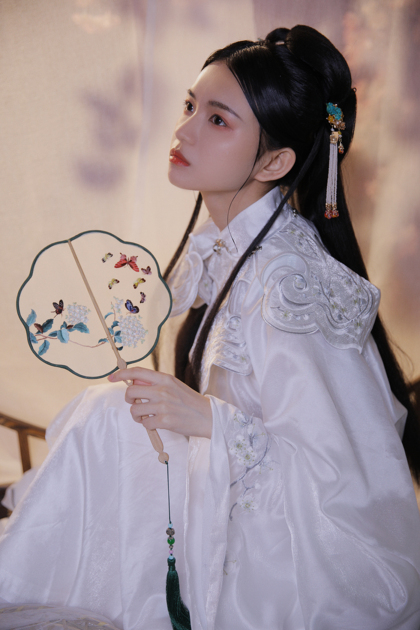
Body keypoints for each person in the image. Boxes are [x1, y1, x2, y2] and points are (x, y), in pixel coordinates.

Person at [1, 24, 420, 630]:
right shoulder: (222, 246)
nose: (184, 131)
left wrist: (207, 419)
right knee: (111, 414)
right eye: (190, 106)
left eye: (218, 120)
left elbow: (343, 482)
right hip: (223, 490)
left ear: (275, 161)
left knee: (107, 419)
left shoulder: (289, 280)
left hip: (292, 548)